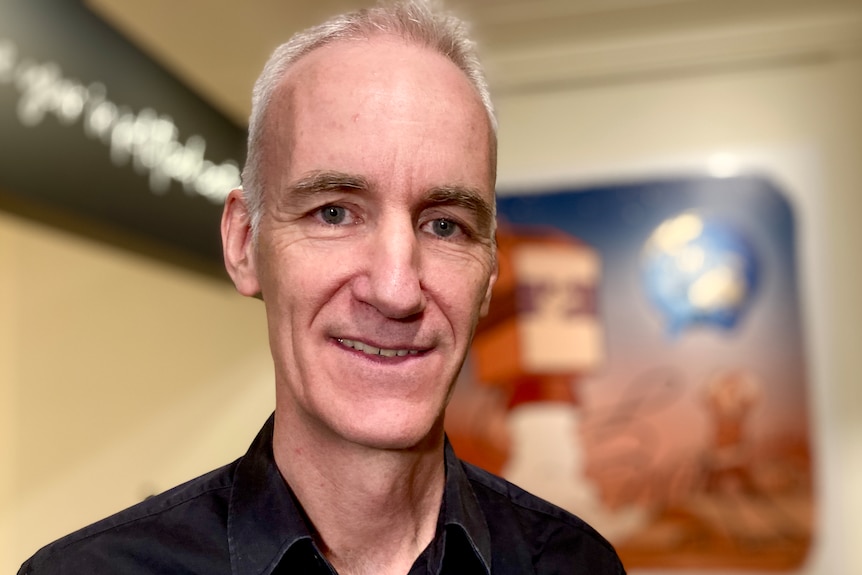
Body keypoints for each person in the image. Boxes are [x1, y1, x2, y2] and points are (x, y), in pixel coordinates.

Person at [19, 1, 625, 573]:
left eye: (445, 225)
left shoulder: (575, 563)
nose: (395, 290)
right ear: (243, 244)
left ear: (489, 273)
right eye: (334, 213)